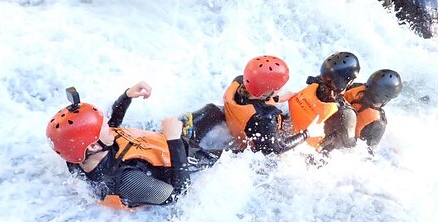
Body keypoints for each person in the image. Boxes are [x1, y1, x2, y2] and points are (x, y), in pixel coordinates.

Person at [46, 82, 221, 210]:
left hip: (159, 141)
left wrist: (126, 97)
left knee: (212, 110)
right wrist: (173, 140)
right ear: (93, 147)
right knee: (231, 155)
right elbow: (178, 195)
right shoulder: (126, 181)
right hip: (181, 160)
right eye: (104, 125)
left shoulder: (81, 154)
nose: (109, 123)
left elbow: (110, 127)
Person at [223, 55, 321, 154]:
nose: (281, 89)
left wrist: (276, 99)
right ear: (267, 92)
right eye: (279, 87)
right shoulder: (265, 118)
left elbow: (253, 101)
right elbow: (279, 148)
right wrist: (307, 133)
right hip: (257, 151)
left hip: (239, 128)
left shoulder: (238, 82)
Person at [287, 51, 360, 152]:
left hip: (288, 132)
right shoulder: (346, 113)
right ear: (350, 82)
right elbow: (349, 145)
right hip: (309, 153)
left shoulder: (315, 82)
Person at [344, 69, 403, 149]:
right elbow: (367, 153)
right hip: (344, 142)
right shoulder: (378, 123)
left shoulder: (356, 87)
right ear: (387, 98)